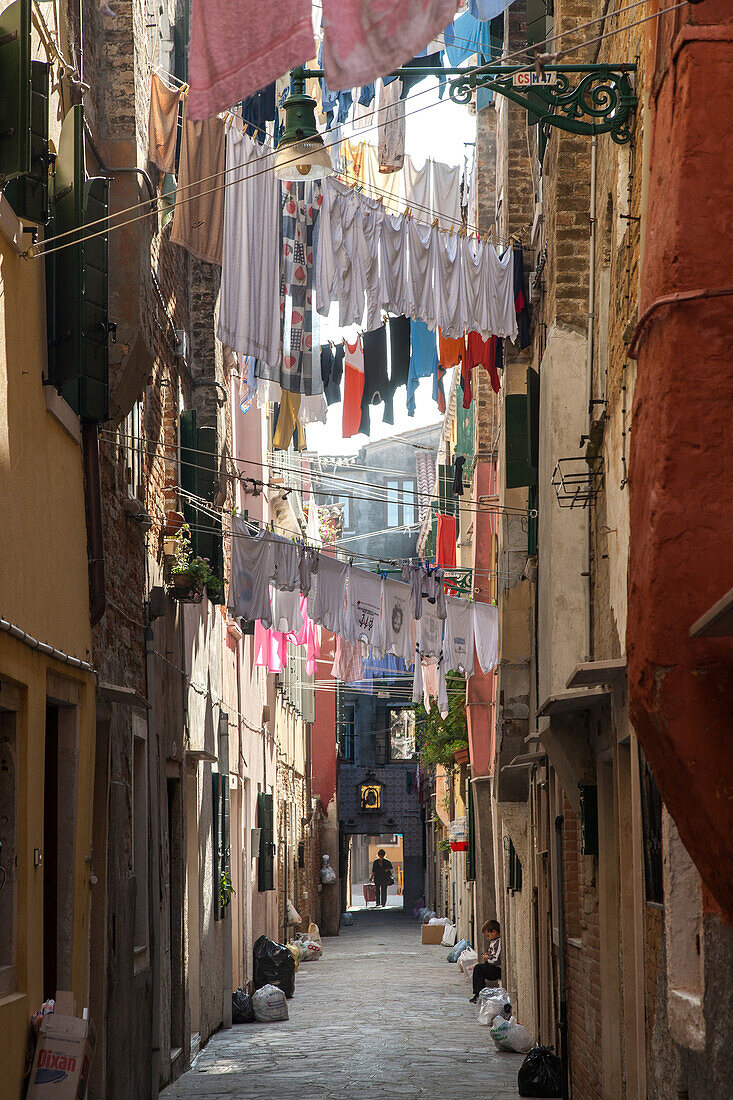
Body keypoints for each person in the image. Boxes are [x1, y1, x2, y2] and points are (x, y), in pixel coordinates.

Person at [469, 919, 502, 1002]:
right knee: (477, 969)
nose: (487, 938)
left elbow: (496, 959)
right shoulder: (493, 941)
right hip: (492, 965)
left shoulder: (499, 942)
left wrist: (487, 958)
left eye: (488, 936)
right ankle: (480, 993)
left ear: (494, 932)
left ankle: (479, 993)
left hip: (497, 969)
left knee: (478, 968)